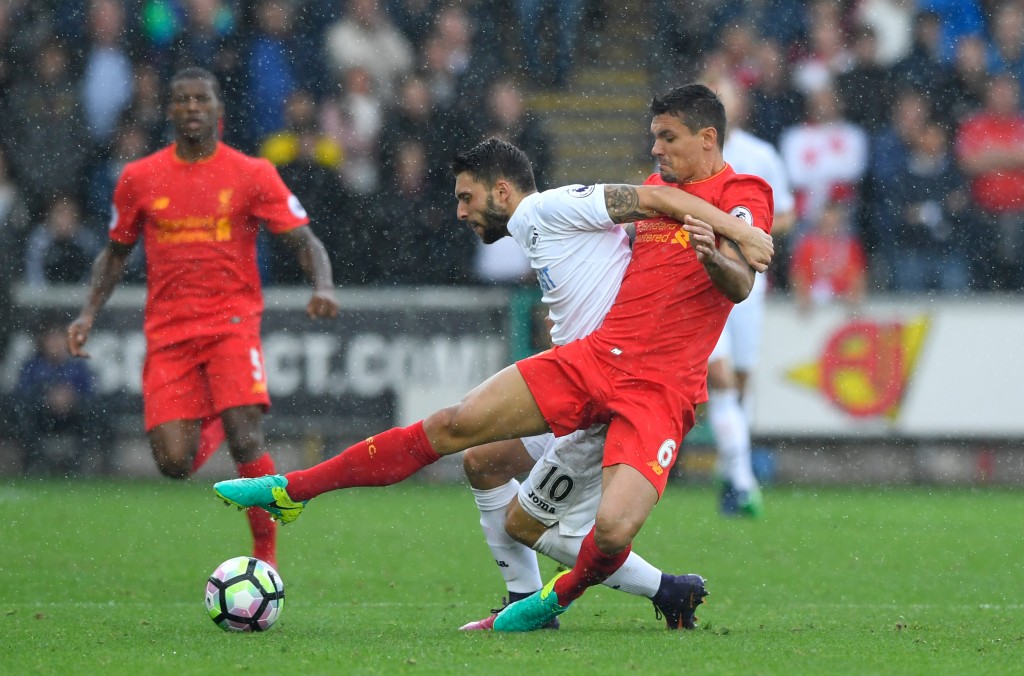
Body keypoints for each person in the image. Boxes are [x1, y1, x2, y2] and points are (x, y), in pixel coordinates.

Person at [215, 84, 773, 632]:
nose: (655, 149)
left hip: (654, 391)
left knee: (603, 530)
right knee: (466, 443)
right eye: (653, 138)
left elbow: (740, 279)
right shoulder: (644, 193)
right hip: (594, 361)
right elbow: (651, 209)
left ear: (706, 137)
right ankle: (296, 491)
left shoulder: (734, 192)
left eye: (667, 138)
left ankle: (553, 602)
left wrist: (721, 245)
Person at [455, 132, 772, 631]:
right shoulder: (551, 228)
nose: (459, 212)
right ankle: (527, 595)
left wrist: (737, 233)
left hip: (605, 391)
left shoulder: (560, 207)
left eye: (465, 197)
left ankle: (664, 585)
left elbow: (658, 200)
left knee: (531, 521)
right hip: (578, 381)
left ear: (499, 191)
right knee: (482, 461)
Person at [67, 67, 338, 568]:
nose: (192, 107)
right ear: (169, 111)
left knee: (247, 434)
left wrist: (321, 284)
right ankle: (214, 414)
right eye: (182, 99)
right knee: (173, 463)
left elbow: (304, 240)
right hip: (168, 334)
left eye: (201, 99)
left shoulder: (252, 173)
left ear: (219, 111)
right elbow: (114, 253)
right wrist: (87, 313)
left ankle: (266, 556)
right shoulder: (139, 178)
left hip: (232, 325)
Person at [705, 76, 796, 517]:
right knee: (718, 377)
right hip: (703, 280)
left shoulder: (760, 155)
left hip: (749, 281)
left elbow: (789, 213)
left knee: (740, 380)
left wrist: (748, 232)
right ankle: (743, 483)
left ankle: (732, 472)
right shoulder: (695, 157)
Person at [14, 317, 112, 476]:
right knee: (22, 412)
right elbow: (22, 392)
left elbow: (91, 392)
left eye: (58, 339)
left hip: (73, 416)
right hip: (42, 416)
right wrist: (46, 398)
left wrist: (72, 398)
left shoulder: (77, 365)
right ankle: (35, 463)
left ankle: (78, 463)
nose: (55, 344)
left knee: (94, 412)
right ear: (42, 342)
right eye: (50, 339)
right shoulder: (32, 365)